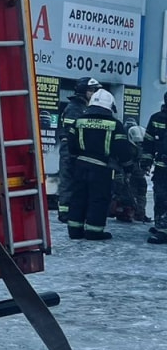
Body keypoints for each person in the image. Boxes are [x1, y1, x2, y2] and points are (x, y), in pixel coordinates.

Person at [64, 89, 134, 240]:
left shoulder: (79, 121)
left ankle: (74, 231)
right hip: (102, 169)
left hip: (80, 166)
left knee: (78, 197)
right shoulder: (115, 124)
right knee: (98, 199)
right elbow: (122, 149)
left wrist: (77, 159)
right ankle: (94, 231)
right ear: (109, 106)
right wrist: (128, 167)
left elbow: (71, 145)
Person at [57, 77, 102, 224]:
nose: (94, 93)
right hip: (69, 148)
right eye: (91, 90)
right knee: (68, 179)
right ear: (83, 91)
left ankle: (73, 210)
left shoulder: (85, 107)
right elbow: (71, 132)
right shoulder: (74, 108)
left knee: (77, 180)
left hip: (78, 149)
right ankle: (64, 211)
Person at [110, 120, 151, 223]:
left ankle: (139, 213)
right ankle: (126, 211)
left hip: (136, 170)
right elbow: (122, 159)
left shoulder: (139, 142)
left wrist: (145, 166)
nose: (140, 145)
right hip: (126, 170)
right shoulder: (125, 145)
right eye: (138, 143)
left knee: (141, 188)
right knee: (127, 190)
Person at [142, 94, 167, 244]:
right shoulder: (157, 118)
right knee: (161, 197)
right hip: (161, 167)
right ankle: (161, 227)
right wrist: (146, 160)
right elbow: (148, 142)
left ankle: (163, 229)